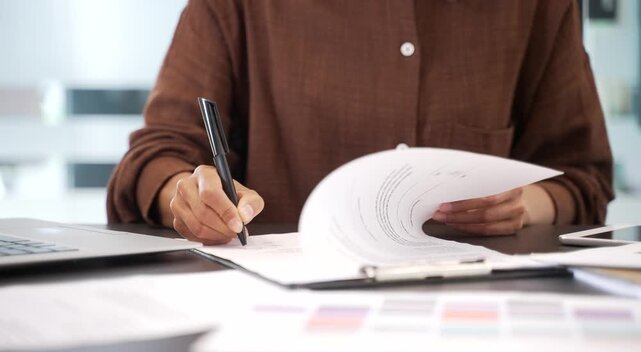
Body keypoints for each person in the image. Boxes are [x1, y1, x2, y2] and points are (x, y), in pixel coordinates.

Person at [107, 0, 614, 245]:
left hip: (477, 316)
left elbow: (582, 178)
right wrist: (190, 195)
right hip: (276, 315)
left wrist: (524, 204)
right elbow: (155, 157)